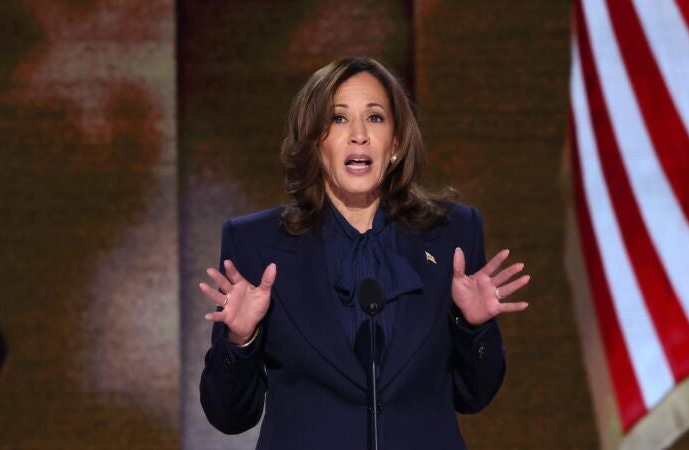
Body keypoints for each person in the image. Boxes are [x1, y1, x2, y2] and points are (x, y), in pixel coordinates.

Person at [198, 56, 530, 449]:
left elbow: (474, 396)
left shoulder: (452, 233)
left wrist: (473, 328)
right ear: (314, 141)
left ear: (396, 142)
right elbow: (230, 416)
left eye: (375, 118)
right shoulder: (255, 242)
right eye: (338, 118)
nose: (359, 135)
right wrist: (241, 340)